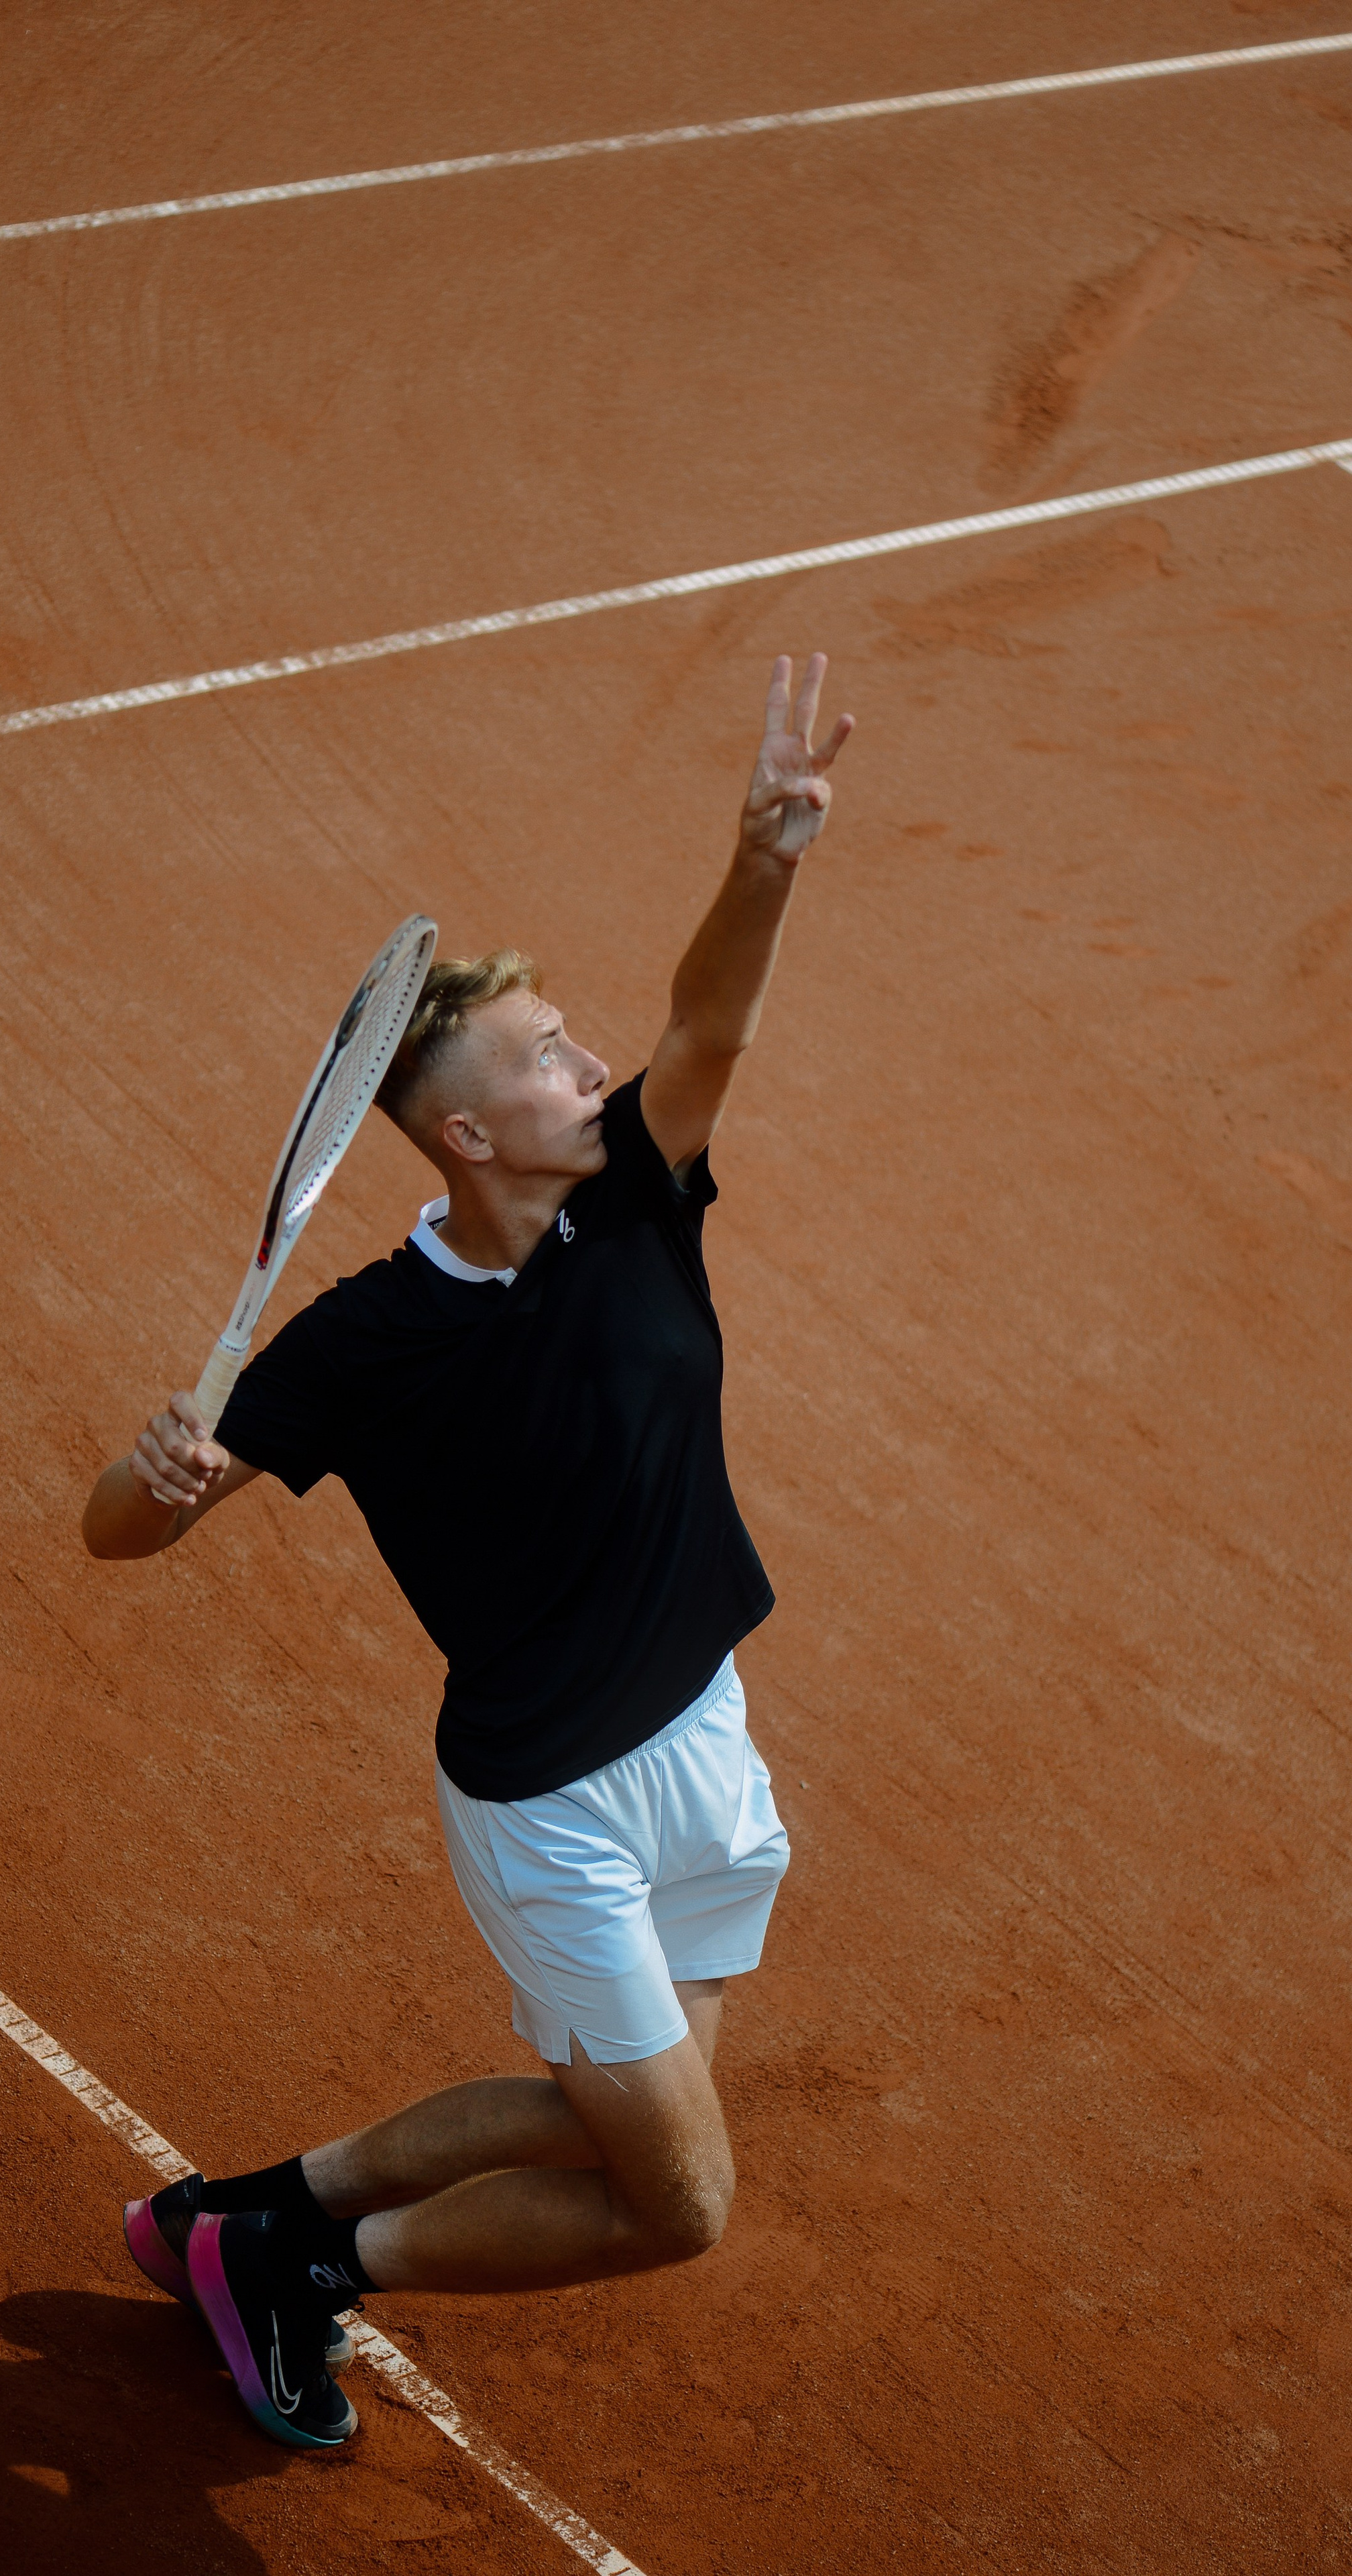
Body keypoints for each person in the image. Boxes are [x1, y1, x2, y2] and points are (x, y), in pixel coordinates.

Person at [82, 655, 854, 2450]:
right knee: (678, 2203)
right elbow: (115, 1539)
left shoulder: (639, 1205)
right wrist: (157, 1474)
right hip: (556, 1807)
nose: (597, 1063)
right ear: (467, 1131)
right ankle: (308, 2271)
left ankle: (248, 2221)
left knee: (606, 2125)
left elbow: (714, 1022)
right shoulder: (361, 1343)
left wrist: (769, 862)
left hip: (703, 1742)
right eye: (549, 1055)